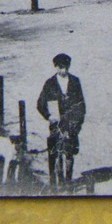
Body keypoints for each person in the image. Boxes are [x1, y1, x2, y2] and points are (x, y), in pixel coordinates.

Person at [35, 53, 85, 185]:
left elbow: (81, 105)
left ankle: (68, 181)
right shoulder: (50, 83)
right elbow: (40, 103)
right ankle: (59, 181)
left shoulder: (75, 82)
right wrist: (48, 116)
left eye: (66, 67)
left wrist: (76, 124)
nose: (63, 70)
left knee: (69, 154)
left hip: (71, 125)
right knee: (56, 153)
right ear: (56, 67)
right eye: (61, 67)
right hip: (55, 125)